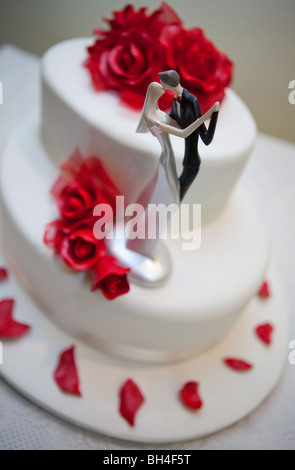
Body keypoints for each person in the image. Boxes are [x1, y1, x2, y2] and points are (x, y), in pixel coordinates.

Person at [126, 80, 218, 258]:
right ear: (154, 94)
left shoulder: (159, 113)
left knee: (167, 198)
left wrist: (188, 113)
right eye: (160, 91)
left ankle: (145, 240)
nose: (163, 92)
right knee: (168, 197)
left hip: (169, 159)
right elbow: (183, 133)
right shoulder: (152, 117)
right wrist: (208, 114)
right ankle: (142, 244)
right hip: (166, 159)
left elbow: (179, 126)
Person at [159, 70, 219, 201]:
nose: (161, 85)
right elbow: (173, 122)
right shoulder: (175, 101)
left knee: (176, 198)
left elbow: (206, 138)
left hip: (191, 164)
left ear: (168, 83)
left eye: (162, 83)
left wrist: (213, 114)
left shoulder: (191, 101)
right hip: (181, 161)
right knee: (171, 194)